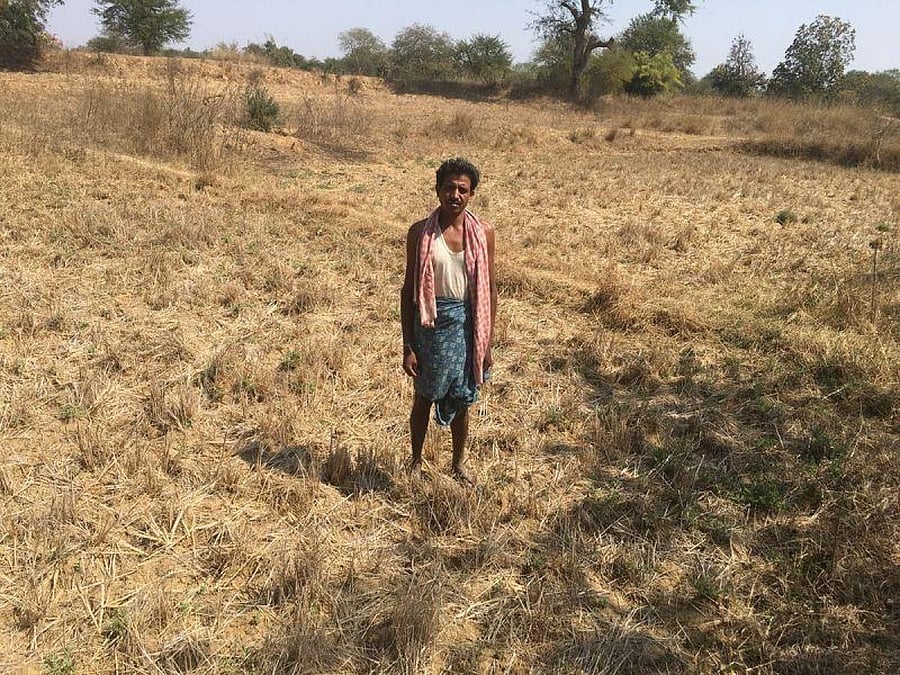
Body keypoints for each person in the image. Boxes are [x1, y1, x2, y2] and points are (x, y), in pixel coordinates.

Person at [400, 158, 496, 485]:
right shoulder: (419, 233)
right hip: (430, 328)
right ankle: (415, 462)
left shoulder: (483, 233)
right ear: (437, 190)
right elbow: (408, 290)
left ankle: (458, 464)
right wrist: (408, 346)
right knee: (424, 397)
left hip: (468, 328)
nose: (455, 195)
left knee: (463, 398)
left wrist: (486, 343)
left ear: (472, 194)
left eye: (462, 190)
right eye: (449, 188)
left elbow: (490, 290)